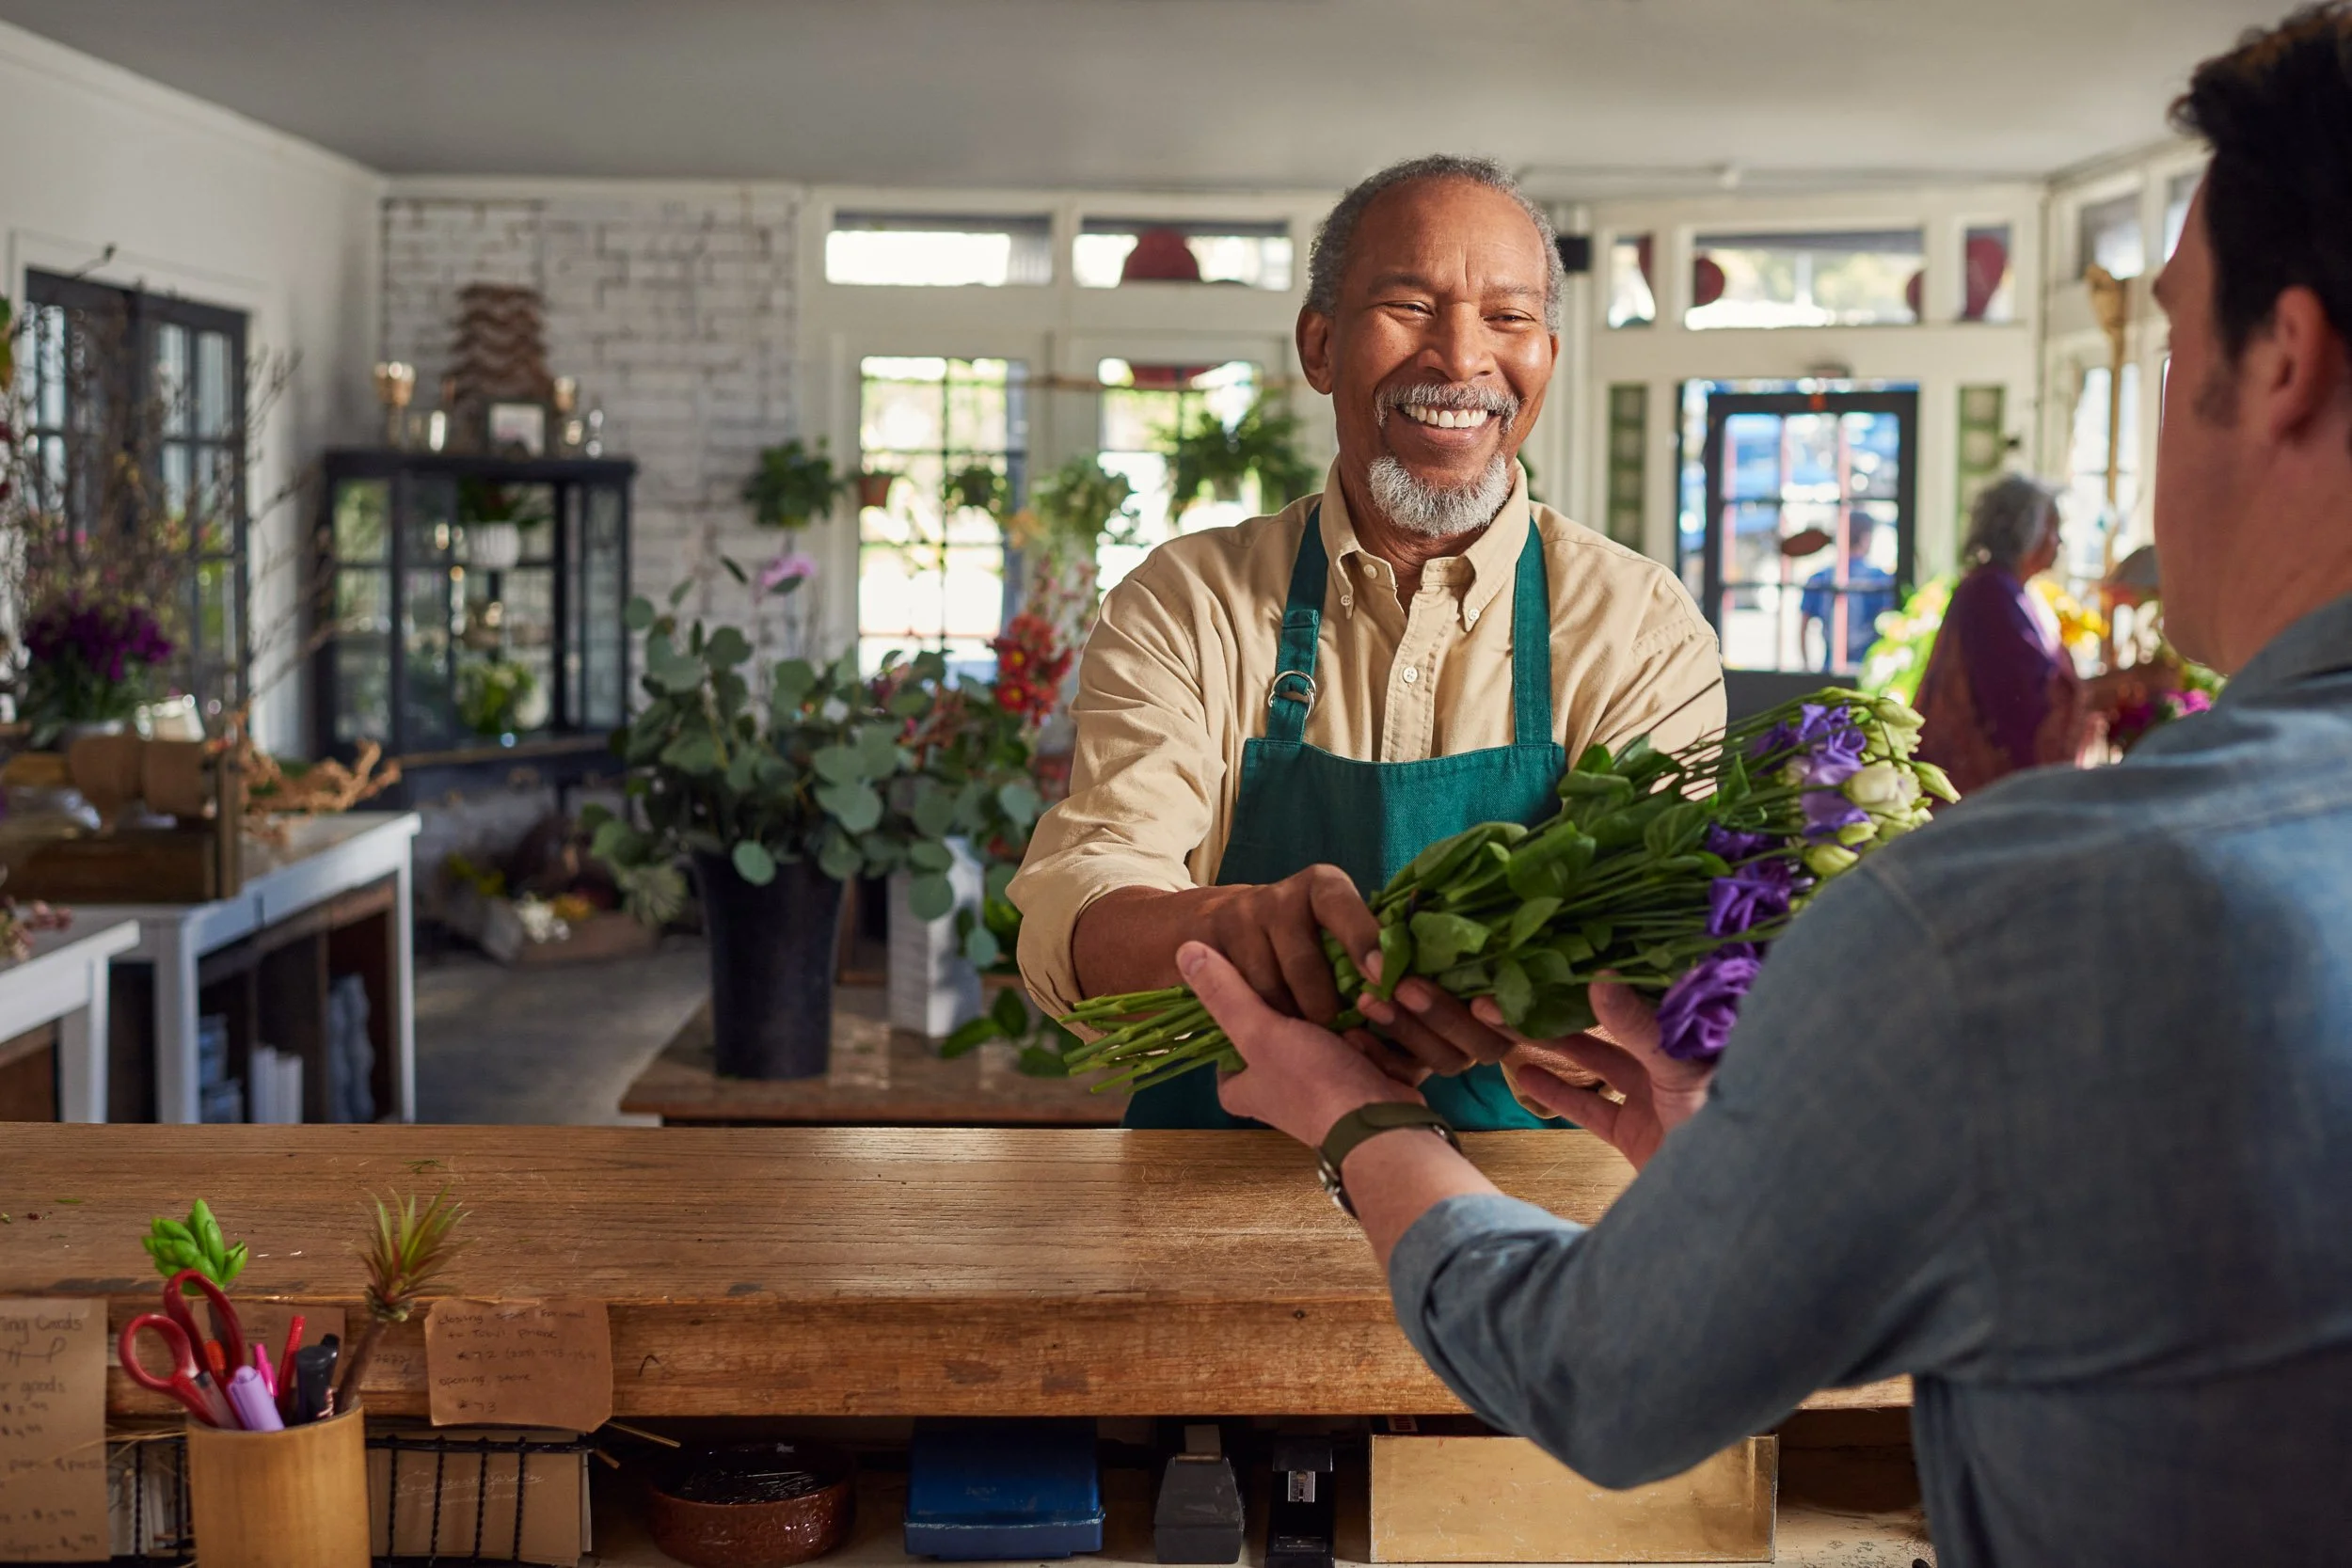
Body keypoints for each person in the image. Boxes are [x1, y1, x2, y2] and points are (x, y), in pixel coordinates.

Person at [1152, 8, 2352, 1562]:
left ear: (2286, 365)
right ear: (1323, 346)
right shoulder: (1195, 597)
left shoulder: (1998, 924)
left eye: (2177, 338)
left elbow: (1615, 1373)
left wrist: (1358, 1117)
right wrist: (1766, 1184)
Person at [1010, 156, 1724, 1130]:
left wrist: (1494, 1010)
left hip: (1527, 1219)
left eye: (1507, 318)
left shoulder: (1638, 626)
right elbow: (1082, 902)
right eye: (1409, 306)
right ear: (1318, 346)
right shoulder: (1189, 603)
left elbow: (1670, 955)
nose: (1460, 358)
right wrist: (1225, 931)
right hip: (1210, 1195)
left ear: (1545, 360)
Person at [1909, 474, 2103, 792]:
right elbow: (2021, 702)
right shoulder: (1990, 593)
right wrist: (2114, 686)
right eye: (2054, 529)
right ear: (2027, 532)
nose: (2060, 542)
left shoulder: (2018, 592)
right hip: (1977, 789)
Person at [1797, 513, 1898, 672]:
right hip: (1868, 671)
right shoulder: (1881, 579)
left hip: (1829, 670)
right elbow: (1891, 628)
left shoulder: (1819, 578)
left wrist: (1807, 669)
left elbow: (1803, 628)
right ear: (1866, 538)